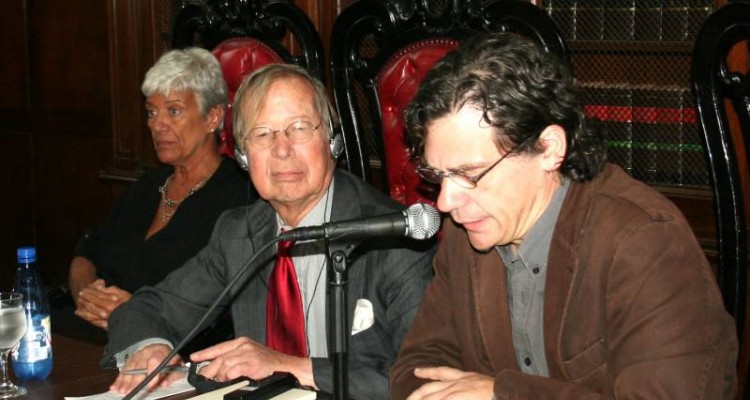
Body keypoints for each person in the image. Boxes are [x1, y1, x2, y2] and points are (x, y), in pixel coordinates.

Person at [390, 32, 737, 399]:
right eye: (439, 175)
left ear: (549, 149)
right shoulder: (467, 232)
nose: (445, 202)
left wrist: (503, 394)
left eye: (470, 174)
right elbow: (418, 365)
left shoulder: (643, 242)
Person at [101, 63, 436, 399]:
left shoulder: (395, 238)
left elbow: (423, 381)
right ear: (244, 158)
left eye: (300, 128)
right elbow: (148, 308)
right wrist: (150, 347)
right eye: (262, 134)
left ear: (332, 142)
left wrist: (291, 365)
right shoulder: (238, 233)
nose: (282, 149)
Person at [63, 48, 255, 338]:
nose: (157, 124)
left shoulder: (240, 197)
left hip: (167, 346)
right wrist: (87, 297)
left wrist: (138, 311)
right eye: (151, 112)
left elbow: (226, 305)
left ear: (212, 117)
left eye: (173, 111)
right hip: (89, 331)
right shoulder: (146, 187)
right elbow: (87, 252)